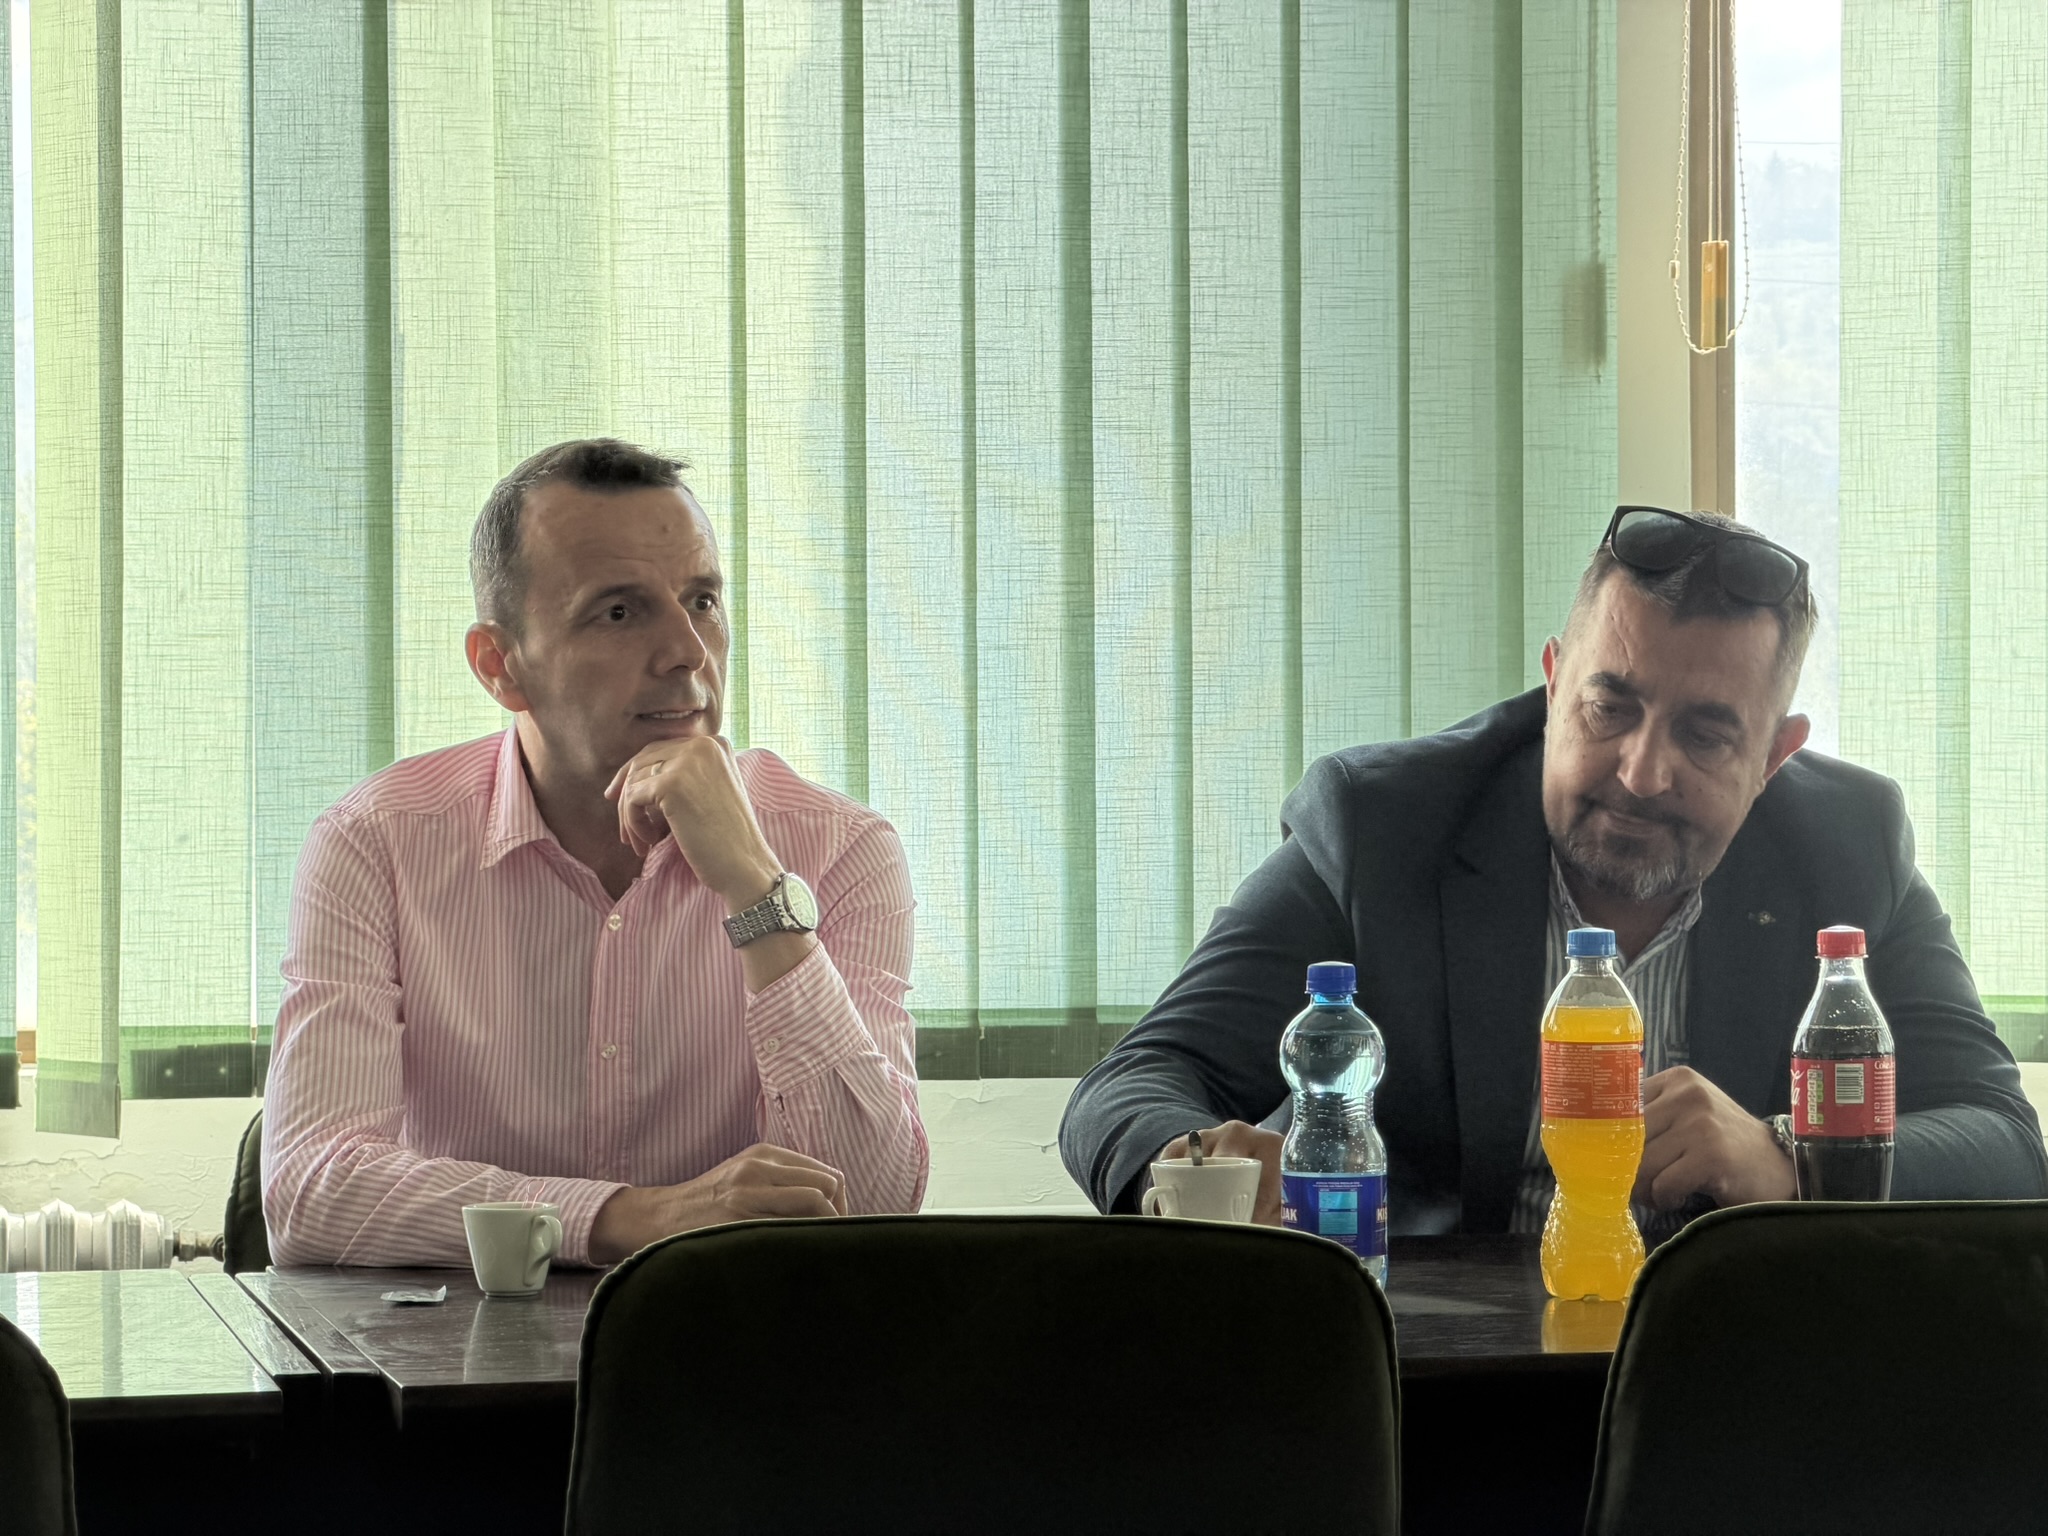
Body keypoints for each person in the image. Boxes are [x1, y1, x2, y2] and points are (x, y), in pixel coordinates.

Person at [1061, 507, 2048, 1231]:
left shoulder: (1846, 847)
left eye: (1706, 736)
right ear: (1551, 683)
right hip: (1450, 1374)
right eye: (1608, 708)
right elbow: (1138, 1079)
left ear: (1773, 757)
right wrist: (1192, 1162)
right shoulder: (1383, 828)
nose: (1641, 772)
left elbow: (2001, 1138)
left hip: (1735, 1360)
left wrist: (1789, 1156)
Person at [264, 439, 927, 1267]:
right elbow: (310, 1189)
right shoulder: (376, 843)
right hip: (462, 1342)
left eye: (703, 601)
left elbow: (873, 1202)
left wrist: (758, 892)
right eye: (620, 612)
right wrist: (635, 1217)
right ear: (501, 667)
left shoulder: (842, 848)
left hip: (735, 1341)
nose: (687, 651)